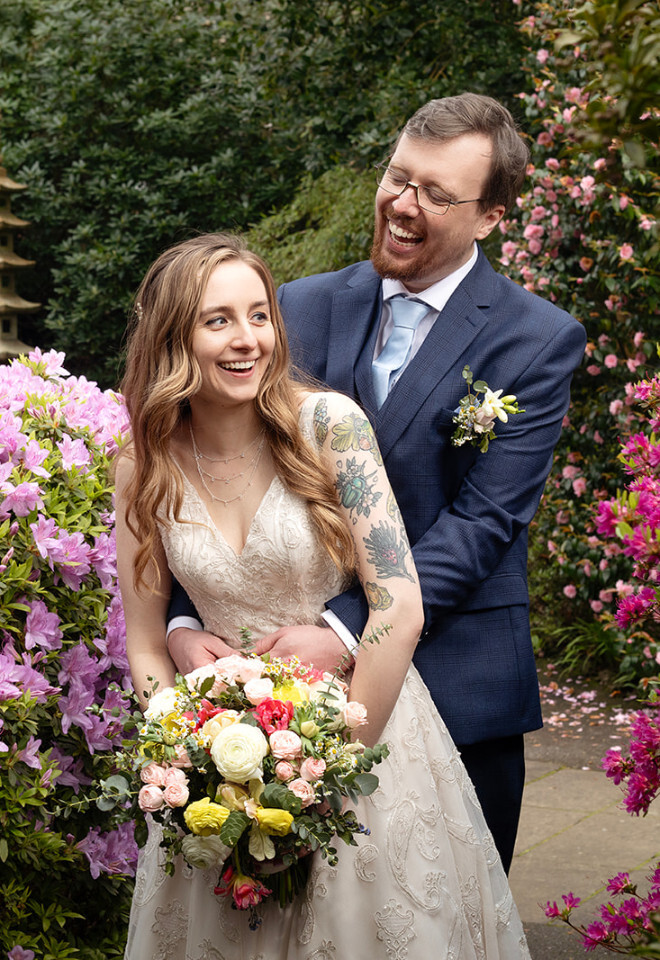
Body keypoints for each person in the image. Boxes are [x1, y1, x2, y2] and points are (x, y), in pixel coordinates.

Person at [166, 93, 588, 875]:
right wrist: (187, 616)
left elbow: (485, 521)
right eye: (399, 176)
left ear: (491, 217)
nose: (402, 204)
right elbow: (220, 477)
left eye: (435, 193)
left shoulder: (539, 339)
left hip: (458, 682)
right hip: (280, 695)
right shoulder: (300, 306)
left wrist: (343, 629)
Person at [115, 232, 531, 959]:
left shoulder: (329, 428)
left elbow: (399, 608)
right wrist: (184, 752)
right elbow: (148, 640)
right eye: (218, 321)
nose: (248, 340)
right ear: (173, 337)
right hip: (217, 771)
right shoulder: (143, 465)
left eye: (259, 315)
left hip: (362, 743)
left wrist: (328, 780)